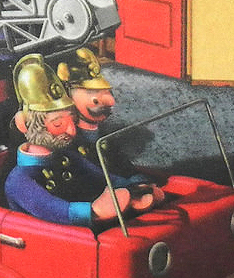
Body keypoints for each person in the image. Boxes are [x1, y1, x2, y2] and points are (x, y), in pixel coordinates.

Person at [4, 53, 130, 227]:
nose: (72, 130)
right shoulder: (19, 181)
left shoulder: (67, 156)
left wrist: (132, 186)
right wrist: (94, 211)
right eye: (58, 124)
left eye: (73, 121)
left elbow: (100, 176)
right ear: (24, 124)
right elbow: (57, 210)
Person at [56, 48, 164, 211]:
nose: (110, 101)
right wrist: (129, 187)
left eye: (106, 92)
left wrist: (139, 181)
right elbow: (88, 176)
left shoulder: (105, 135)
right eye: (92, 94)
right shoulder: (66, 142)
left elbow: (122, 165)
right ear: (68, 97)